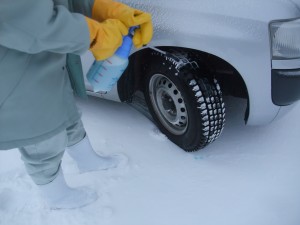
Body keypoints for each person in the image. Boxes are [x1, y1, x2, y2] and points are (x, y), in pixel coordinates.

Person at [0, 0, 153, 209]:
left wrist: (101, 8)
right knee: (42, 136)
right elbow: (30, 23)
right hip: (14, 75)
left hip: (43, 63)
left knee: (66, 113)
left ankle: (87, 160)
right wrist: (96, 35)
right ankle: (56, 196)